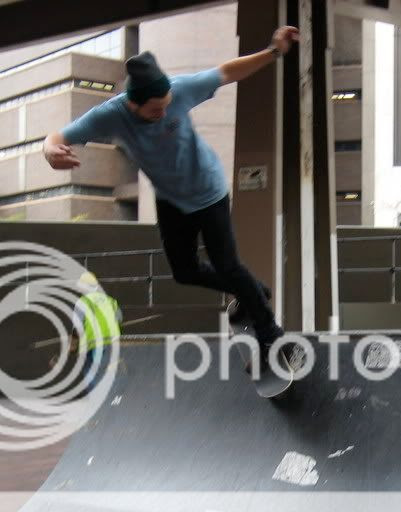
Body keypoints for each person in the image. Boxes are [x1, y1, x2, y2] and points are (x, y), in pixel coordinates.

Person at [43, 27, 299, 359]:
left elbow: (228, 72)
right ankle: (251, 290)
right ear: (133, 104)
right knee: (184, 272)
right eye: (154, 110)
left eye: (166, 106)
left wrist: (274, 51)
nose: (163, 113)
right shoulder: (110, 116)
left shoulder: (180, 89)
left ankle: (271, 335)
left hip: (209, 193)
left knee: (228, 266)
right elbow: (58, 136)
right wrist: (50, 150)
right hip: (171, 202)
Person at [69, 271, 121, 395]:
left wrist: (73, 346)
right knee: (106, 369)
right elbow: (119, 318)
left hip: (93, 342)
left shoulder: (83, 302)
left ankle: (94, 395)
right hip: (112, 342)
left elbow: (77, 326)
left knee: (90, 369)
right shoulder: (109, 300)